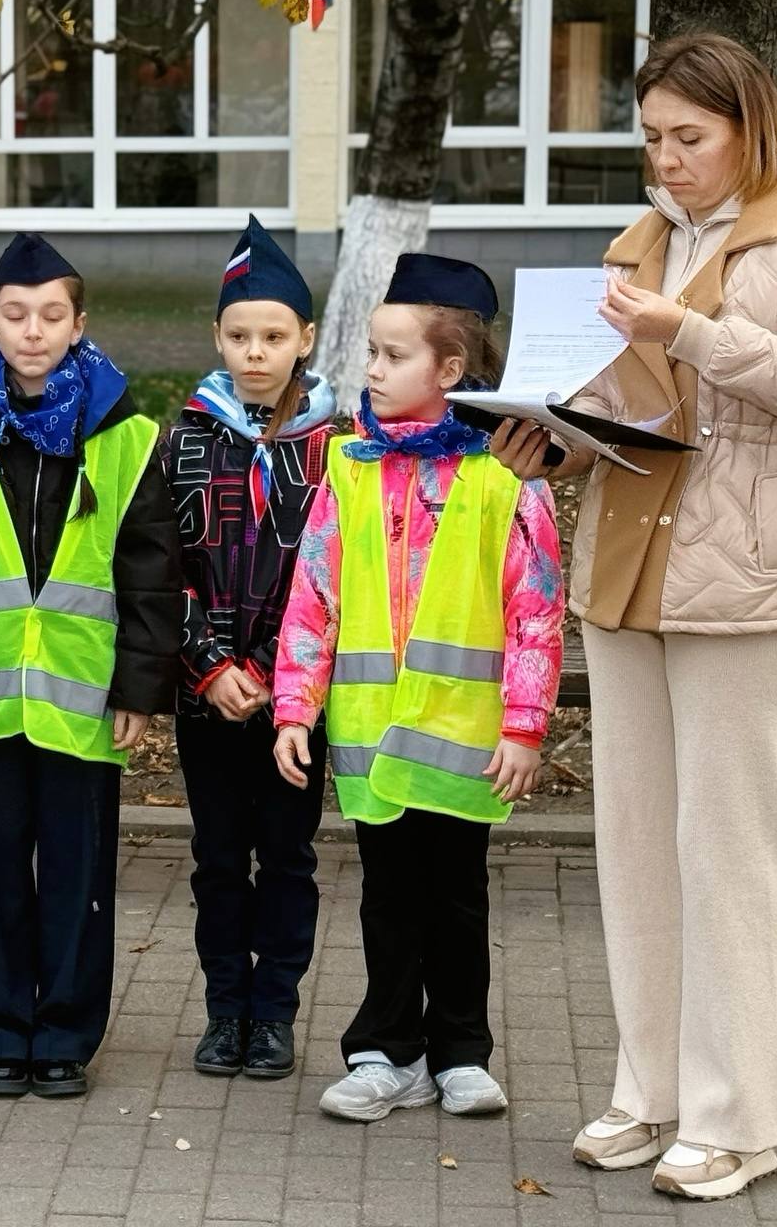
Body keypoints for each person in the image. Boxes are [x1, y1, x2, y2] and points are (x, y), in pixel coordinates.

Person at [491, 33, 777, 1201]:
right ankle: (647, 1091)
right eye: (651, 137)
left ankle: (740, 1117)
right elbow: (617, 394)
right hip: (626, 567)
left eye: (688, 139)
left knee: (729, 852)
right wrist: (546, 437)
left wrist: (690, 332)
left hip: (743, 582)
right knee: (639, 847)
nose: (665, 160)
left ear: (749, 128)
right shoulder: (640, 239)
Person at [272, 254, 562, 1125]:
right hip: (370, 733)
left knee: (457, 891)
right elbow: (313, 593)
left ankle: (462, 1051)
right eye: (371, 352)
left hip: (465, 737)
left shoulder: (503, 478)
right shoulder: (350, 469)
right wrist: (296, 707)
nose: (372, 370)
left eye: (394, 356)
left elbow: (536, 611)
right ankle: (386, 1050)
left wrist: (523, 726)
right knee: (388, 893)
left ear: (451, 371)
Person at [0, 231, 181, 1099]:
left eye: (52, 315)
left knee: (76, 877)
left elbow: (150, 572)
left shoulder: (129, 436)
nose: (34, 331)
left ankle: (64, 1034)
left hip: (83, 698)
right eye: (16, 315)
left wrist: (140, 684)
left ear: (80, 324)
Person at [164, 217, 344, 1081]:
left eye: (274, 337)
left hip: (295, 708)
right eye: (239, 336)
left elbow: (333, 578)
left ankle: (274, 1013)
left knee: (289, 857)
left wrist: (281, 682)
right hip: (210, 697)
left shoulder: (337, 448)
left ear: (305, 339)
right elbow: (162, 567)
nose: (255, 353)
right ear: (218, 339)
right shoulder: (185, 439)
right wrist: (208, 665)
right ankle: (223, 1007)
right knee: (215, 857)